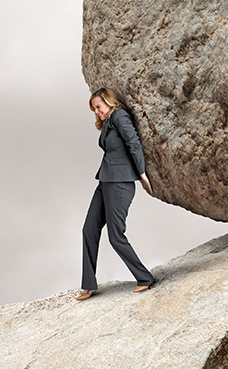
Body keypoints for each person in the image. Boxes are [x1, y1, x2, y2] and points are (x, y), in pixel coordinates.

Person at [77, 87, 155, 301]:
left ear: (109, 102)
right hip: (105, 181)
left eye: (98, 107)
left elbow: (134, 142)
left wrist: (141, 173)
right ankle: (88, 285)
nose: (97, 112)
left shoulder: (120, 116)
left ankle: (145, 278)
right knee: (89, 229)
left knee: (115, 235)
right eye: (94, 109)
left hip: (120, 182)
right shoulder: (109, 122)